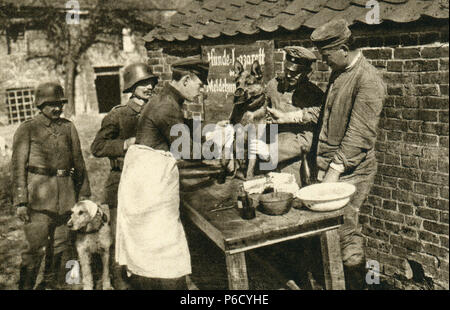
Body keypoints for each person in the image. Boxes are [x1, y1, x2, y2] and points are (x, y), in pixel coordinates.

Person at [115, 56, 209, 290]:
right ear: (186, 79)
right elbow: (185, 149)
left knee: (150, 248)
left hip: (145, 179)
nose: (203, 89)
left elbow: (181, 128)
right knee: (164, 248)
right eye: (200, 84)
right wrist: (223, 147)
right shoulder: (167, 105)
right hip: (149, 184)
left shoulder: (165, 99)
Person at [309, 19, 385, 289]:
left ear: (343, 48)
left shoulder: (368, 80)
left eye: (326, 55)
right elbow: (328, 114)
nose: (323, 61)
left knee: (345, 231)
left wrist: (331, 174)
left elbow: (359, 135)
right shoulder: (340, 71)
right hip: (333, 167)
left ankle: (356, 285)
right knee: (332, 231)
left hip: (350, 171)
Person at [12, 82, 91, 290]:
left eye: (60, 104)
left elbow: (79, 163)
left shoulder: (68, 127)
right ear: (40, 105)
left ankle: (53, 285)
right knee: (34, 249)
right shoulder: (28, 129)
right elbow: (18, 167)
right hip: (38, 199)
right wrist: (21, 201)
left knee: (61, 246)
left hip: (66, 199)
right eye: (51, 104)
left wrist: (83, 195)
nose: (57, 108)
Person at [90, 63, 158, 290]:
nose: (148, 87)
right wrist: (124, 144)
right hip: (121, 182)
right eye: (143, 83)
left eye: (151, 83)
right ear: (132, 86)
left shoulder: (157, 111)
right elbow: (97, 147)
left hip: (149, 183)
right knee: (120, 238)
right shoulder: (118, 115)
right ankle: (119, 283)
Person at [265, 46, 324, 185]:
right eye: (287, 70)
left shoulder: (314, 95)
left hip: (294, 164)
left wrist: (272, 151)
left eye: (296, 72)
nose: (290, 75)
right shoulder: (273, 86)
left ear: (307, 73)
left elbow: (307, 140)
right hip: (266, 158)